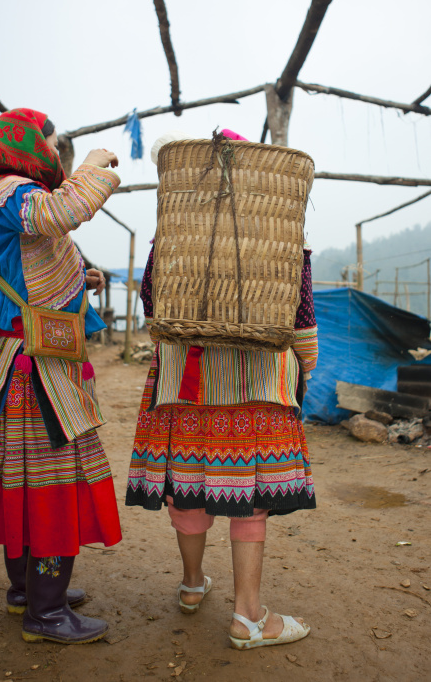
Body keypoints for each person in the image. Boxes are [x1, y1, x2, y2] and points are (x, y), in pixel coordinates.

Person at [126, 129, 318, 649]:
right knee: (247, 497)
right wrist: (303, 369)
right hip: (255, 387)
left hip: (184, 385)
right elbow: (302, 322)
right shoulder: (281, 242)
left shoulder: (171, 242)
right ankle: (249, 617)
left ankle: (192, 587)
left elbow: (152, 305)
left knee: (189, 489)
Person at [0, 108, 122, 644]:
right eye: (53, 145)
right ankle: (47, 612)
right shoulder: (11, 191)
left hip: (19, 364)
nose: (57, 156)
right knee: (50, 483)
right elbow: (63, 212)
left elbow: (35, 260)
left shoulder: (5, 197)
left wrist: (85, 276)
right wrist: (98, 167)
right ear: (29, 146)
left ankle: (27, 592)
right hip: (34, 373)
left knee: (21, 480)